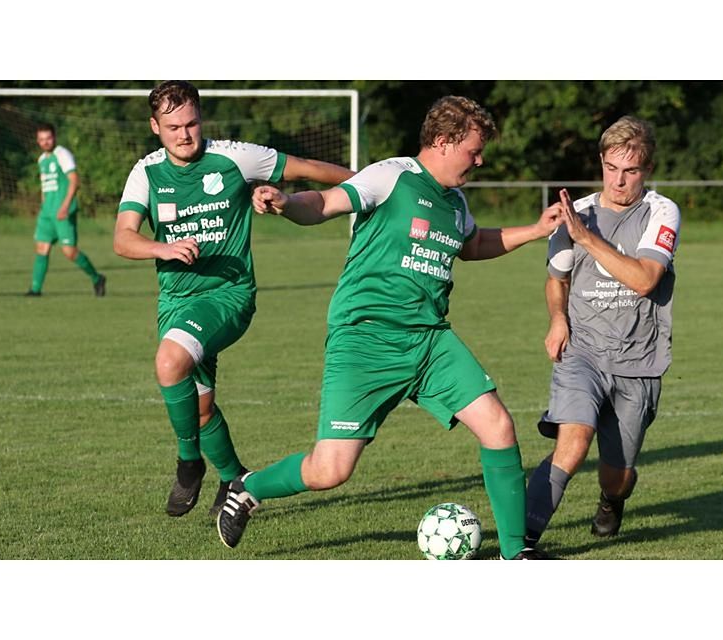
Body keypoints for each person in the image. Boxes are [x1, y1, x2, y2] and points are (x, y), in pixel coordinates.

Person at [215, 95, 562, 559]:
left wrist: (535, 230)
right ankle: (249, 487)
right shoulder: (391, 176)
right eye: (473, 150)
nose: (480, 160)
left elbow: (474, 243)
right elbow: (322, 203)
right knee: (330, 470)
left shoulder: (454, 200)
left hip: (430, 340)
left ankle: (515, 554)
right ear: (442, 142)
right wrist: (285, 201)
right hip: (366, 339)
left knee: (498, 425)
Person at [113, 81, 354, 518]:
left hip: (229, 294)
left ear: (201, 119)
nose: (185, 135)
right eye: (173, 128)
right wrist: (161, 247)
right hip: (176, 301)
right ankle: (233, 477)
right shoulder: (145, 173)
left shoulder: (235, 156)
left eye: (191, 124)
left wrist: (371, 185)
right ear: (155, 127)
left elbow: (306, 169)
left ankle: (189, 466)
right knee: (198, 408)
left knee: (169, 362)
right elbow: (123, 239)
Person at [524, 116, 680, 548]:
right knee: (571, 445)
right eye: (611, 168)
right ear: (601, 163)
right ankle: (520, 543)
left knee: (619, 477)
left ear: (646, 170)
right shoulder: (580, 213)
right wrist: (557, 318)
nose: (619, 181)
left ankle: (611, 501)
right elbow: (557, 279)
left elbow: (646, 279)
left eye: (630, 171)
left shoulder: (661, 212)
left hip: (639, 358)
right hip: (584, 350)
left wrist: (586, 239)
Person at [26, 123, 106, 297]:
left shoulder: (62, 154)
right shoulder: (42, 160)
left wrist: (65, 206)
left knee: (69, 252)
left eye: (48, 138)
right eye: (41, 139)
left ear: (54, 137)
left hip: (63, 212)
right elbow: (45, 186)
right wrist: (43, 206)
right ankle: (35, 290)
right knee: (41, 248)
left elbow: (74, 180)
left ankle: (97, 278)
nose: (45, 142)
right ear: (37, 141)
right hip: (47, 213)